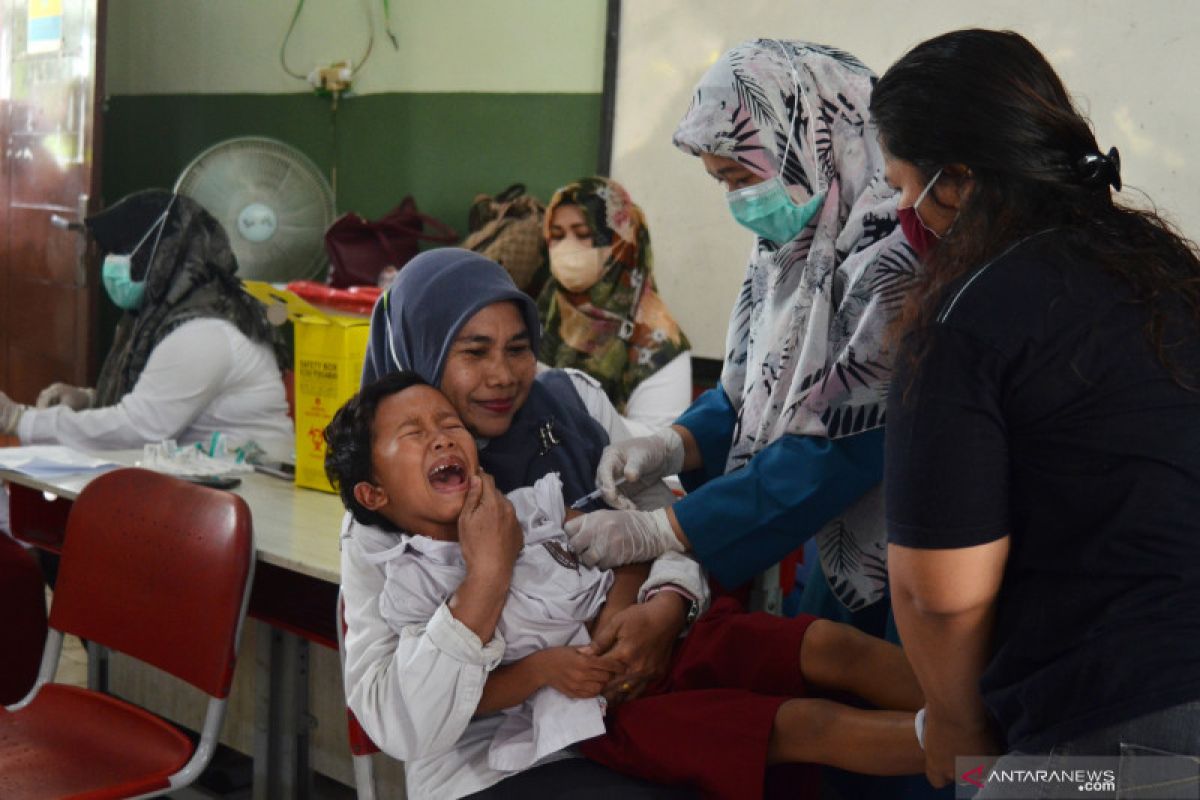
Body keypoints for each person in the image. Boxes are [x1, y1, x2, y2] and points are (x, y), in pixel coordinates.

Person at [327, 370, 926, 799]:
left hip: (667, 639)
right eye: (412, 433)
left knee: (828, 645)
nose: (440, 435)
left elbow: (629, 549)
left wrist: (635, 605)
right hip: (606, 711)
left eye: (448, 422)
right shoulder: (404, 579)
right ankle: (1003, 768)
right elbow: (446, 700)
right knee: (805, 726)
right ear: (373, 495)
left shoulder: (527, 508)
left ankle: (989, 720)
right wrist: (539, 664)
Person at [871, 29, 1200, 791]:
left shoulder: (966, 318)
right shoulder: (1169, 276)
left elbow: (940, 594)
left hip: (1120, 740)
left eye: (899, 184)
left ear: (952, 182)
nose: (899, 211)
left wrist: (957, 732)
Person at [564, 40, 918, 622]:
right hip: (808, 534)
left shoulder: (898, 257)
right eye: (720, 180)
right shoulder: (784, 250)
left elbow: (844, 444)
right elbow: (750, 392)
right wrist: (672, 444)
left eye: (739, 175)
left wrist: (666, 529)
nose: (737, 200)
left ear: (806, 140)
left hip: (893, 550)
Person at [354, 247, 707, 791]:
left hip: (628, 701)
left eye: (518, 348)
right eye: (474, 352)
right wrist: (488, 579)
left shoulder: (571, 407)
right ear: (421, 353)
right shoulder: (385, 502)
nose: (503, 376)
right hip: (482, 762)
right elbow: (393, 719)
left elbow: (668, 523)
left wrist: (666, 607)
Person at [0, 190, 292, 461]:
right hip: (207, 483)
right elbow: (160, 397)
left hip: (250, 492)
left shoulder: (203, 331)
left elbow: (140, 428)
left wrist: (21, 419)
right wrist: (89, 399)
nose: (111, 262)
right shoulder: (167, 316)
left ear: (162, 255)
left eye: (123, 251)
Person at [539, 177, 692, 435]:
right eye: (556, 235)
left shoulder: (658, 343)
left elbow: (659, 446)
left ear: (621, 242)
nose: (566, 247)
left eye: (584, 234)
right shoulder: (541, 311)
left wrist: (564, 407)